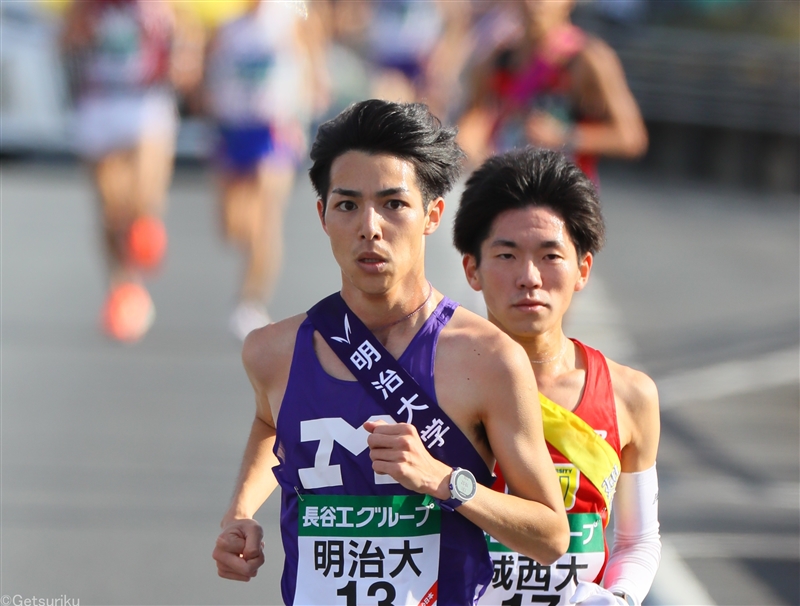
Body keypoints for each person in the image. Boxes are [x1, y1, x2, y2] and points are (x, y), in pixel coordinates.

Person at [212, 100, 570, 605]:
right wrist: (240, 514)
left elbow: (552, 537)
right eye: (348, 205)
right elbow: (271, 423)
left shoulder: (487, 359)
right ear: (322, 215)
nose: (370, 227)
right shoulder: (273, 352)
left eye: (393, 204)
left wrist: (445, 481)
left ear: (432, 215)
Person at [453, 147, 661, 605]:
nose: (529, 277)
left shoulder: (630, 396)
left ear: (582, 269)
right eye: (506, 255)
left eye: (550, 256)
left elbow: (637, 541)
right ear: (472, 269)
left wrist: (620, 598)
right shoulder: (436, 387)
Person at [60, 0, 203, 342]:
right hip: (101, 102)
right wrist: (77, 36)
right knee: (110, 208)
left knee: (142, 197)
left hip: (146, 101)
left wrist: (186, 59)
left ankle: (143, 236)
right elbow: (66, 39)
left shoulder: (159, 6)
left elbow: (188, 34)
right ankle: (122, 288)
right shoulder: (89, 7)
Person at [204, 0, 329, 340]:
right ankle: (250, 274)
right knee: (233, 226)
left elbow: (313, 47)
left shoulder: (292, 13)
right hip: (233, 126)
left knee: (266, 215)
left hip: (274, 126)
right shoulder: (222, 18)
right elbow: (208, 64)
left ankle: (250, 301)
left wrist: (314, 88)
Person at [458, 0, 648, 181]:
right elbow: (474, 122)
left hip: (566, 199)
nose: (536, 3)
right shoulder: (499, 59)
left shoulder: (588, 59)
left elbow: (630, 137)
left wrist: (565, 136)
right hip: (509, 193)